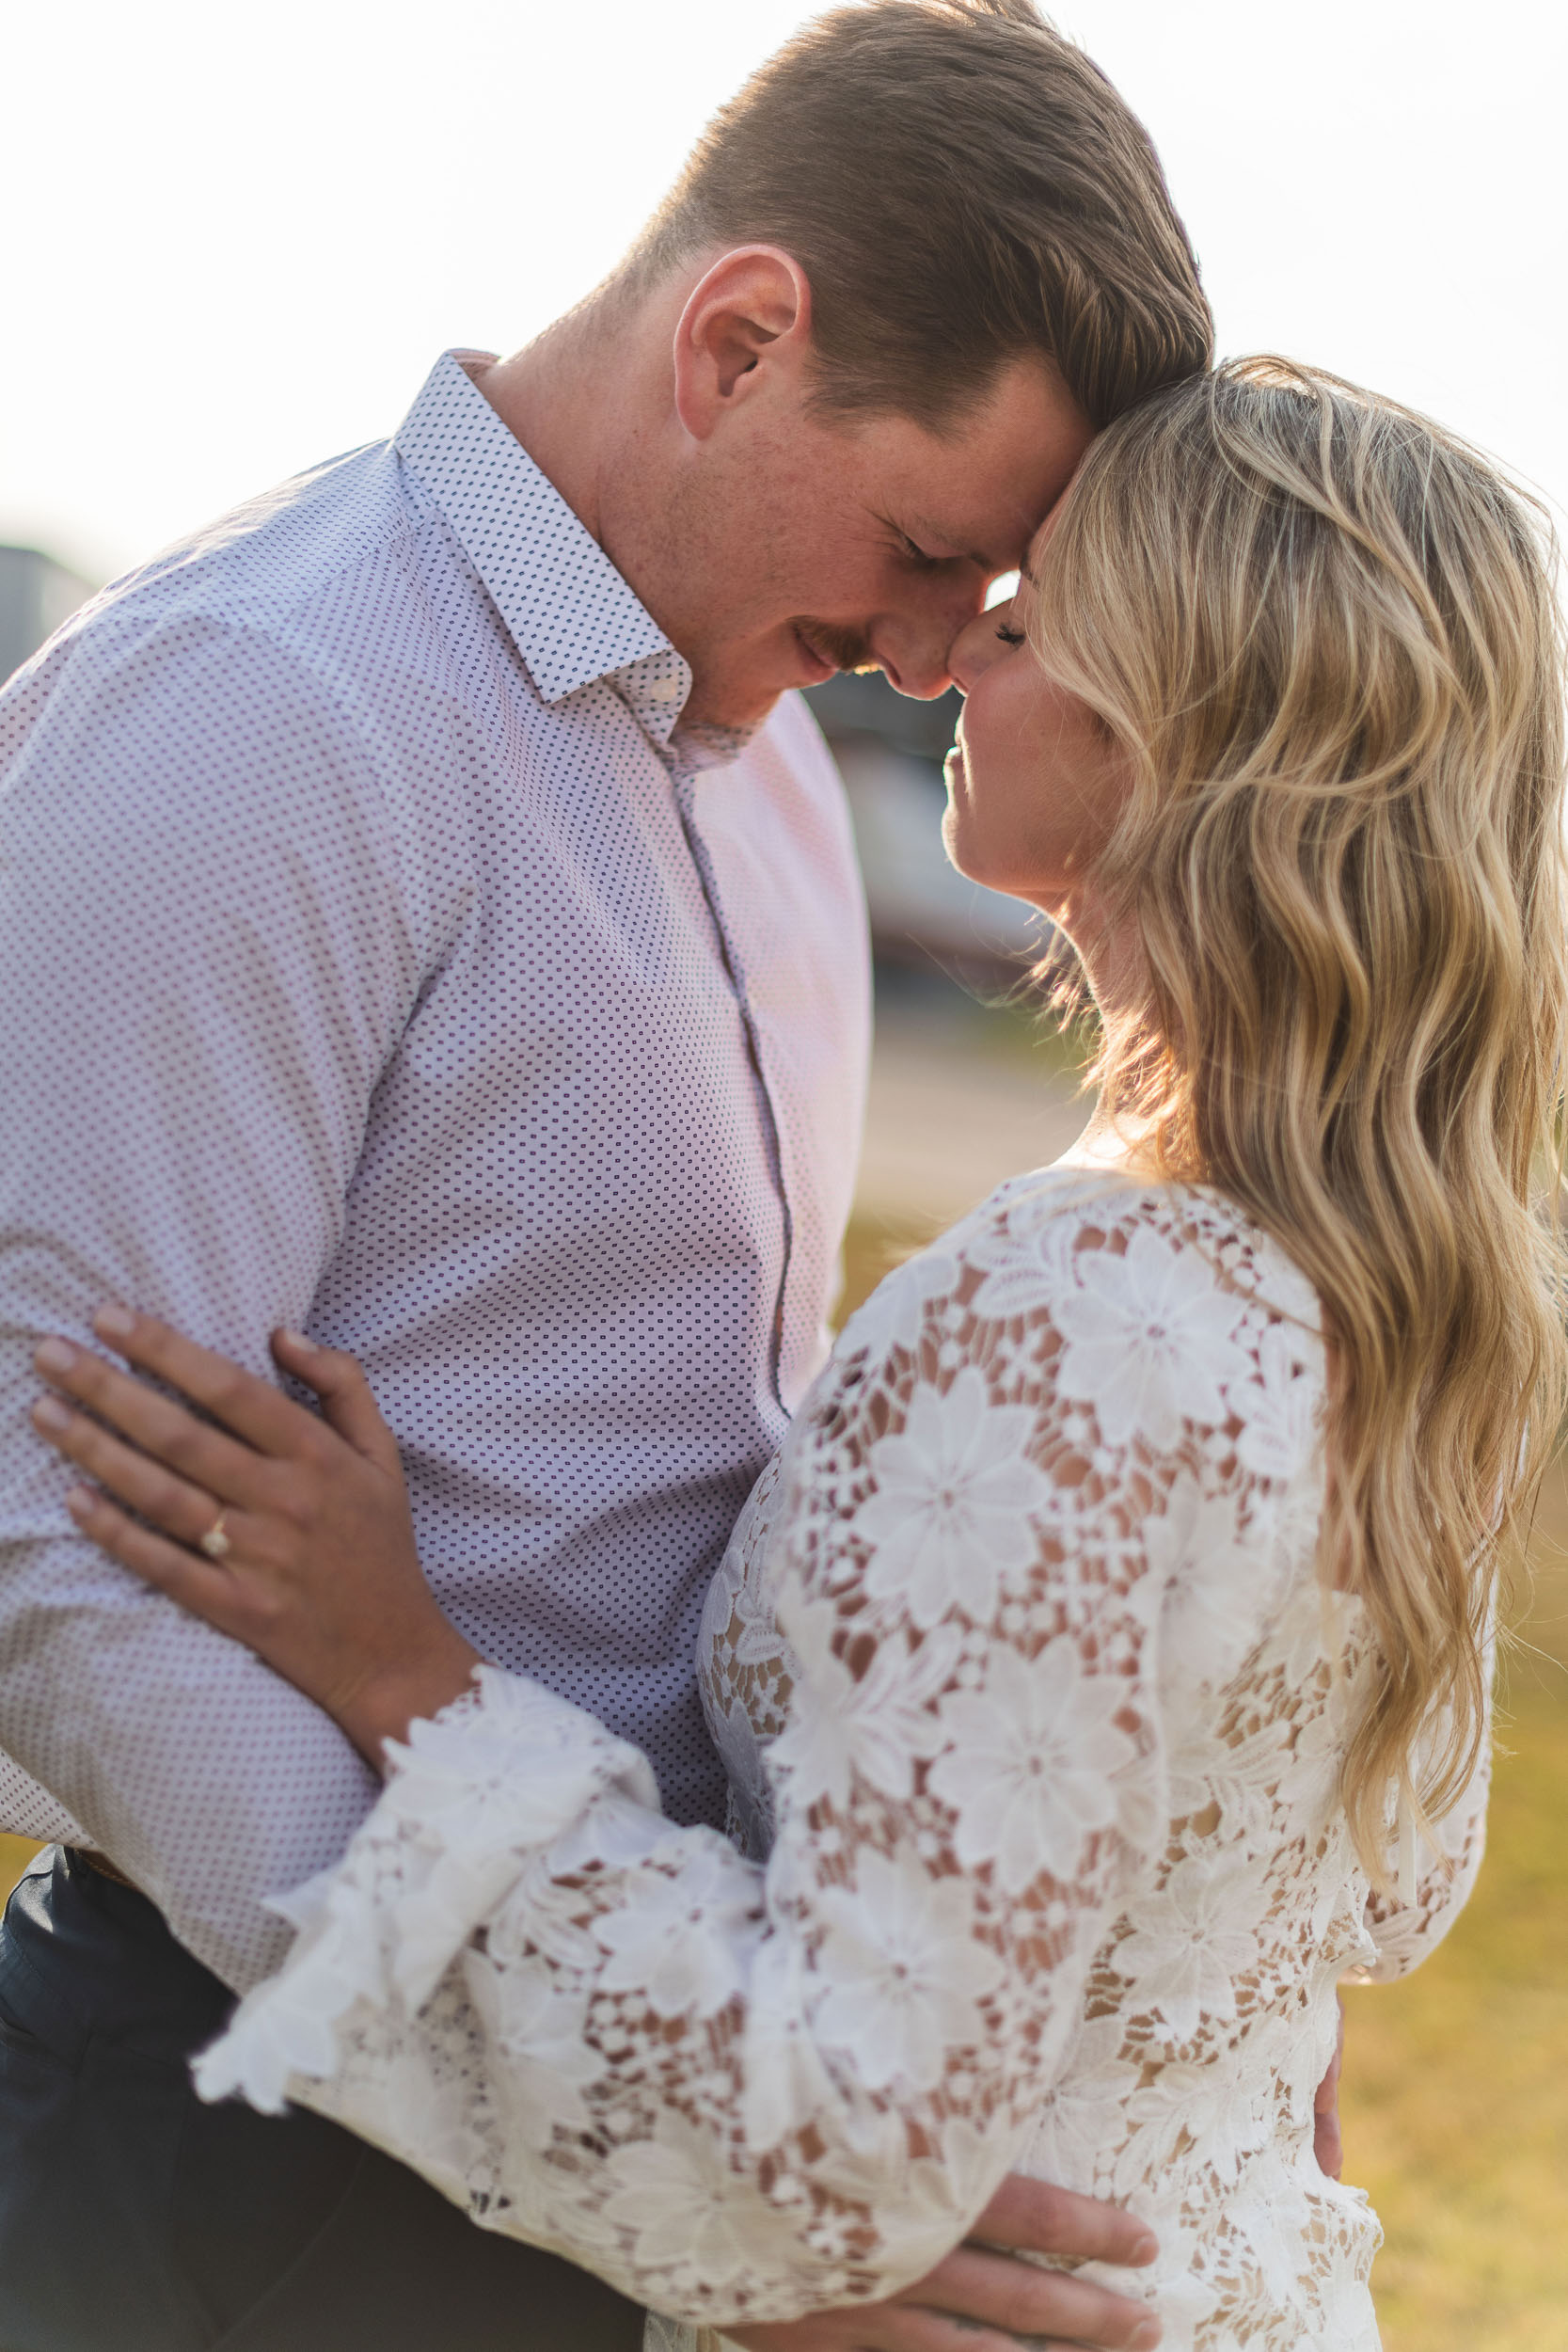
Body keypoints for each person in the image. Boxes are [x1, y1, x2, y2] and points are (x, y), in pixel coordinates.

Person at [28, 358, 1566, 2351]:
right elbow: (1282, 1909)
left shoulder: (1067, 1319)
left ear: (1185, 735)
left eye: (1032, 619)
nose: (954, 652)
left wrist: (409, 1673)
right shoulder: (1412, 1293)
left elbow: (843, 2142)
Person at [0, 5, 1217, 2347]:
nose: (935, 652)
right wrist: (650, 2168)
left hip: (638, 2051)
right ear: (739, 339)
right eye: (930, 550)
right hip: (266, 2145)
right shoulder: (265, 707)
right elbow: (59, 1556)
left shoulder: (776, 773)